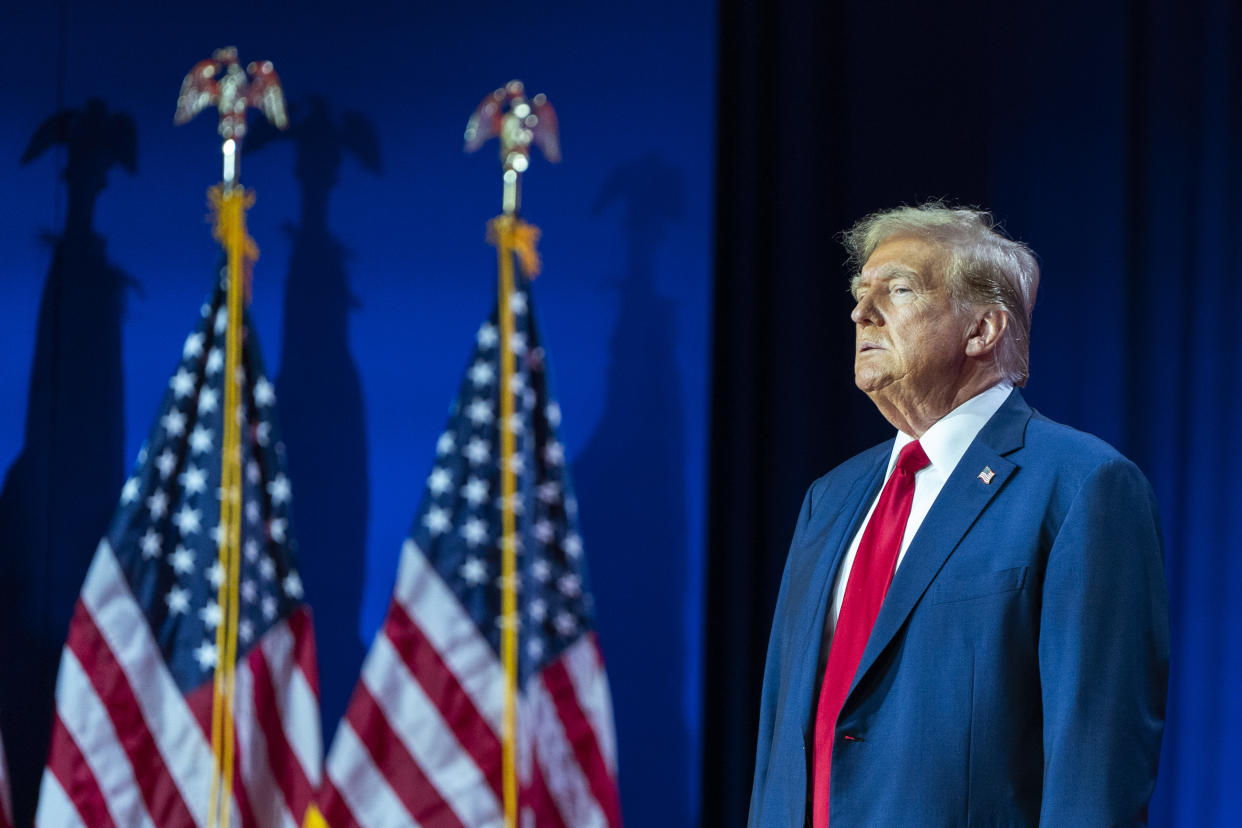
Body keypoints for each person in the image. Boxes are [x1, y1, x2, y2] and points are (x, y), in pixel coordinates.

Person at [748, 203, 1169, 826]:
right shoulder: (829, 498)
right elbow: (780, 738)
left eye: (897, 290)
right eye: (860, 294)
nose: (862, 313)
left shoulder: (1083, 487)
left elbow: (1095, 764)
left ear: (983, 330)